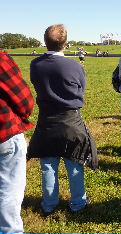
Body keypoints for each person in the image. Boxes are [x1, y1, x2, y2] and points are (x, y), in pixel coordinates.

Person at [28, 24, 98, 216]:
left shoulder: (36, 64)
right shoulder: (74, 65)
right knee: (74, 163)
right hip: (70, 119)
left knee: (48, 166)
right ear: (65, 44)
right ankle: (78, 204)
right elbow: (80, 89)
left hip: (46, 120)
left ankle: (49, 204)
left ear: (45, 42)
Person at [0, 51, 34, 234]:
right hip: (4, 133)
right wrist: (22, 117)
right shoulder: (1, 60)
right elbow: (24, 100)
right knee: (9, 192)